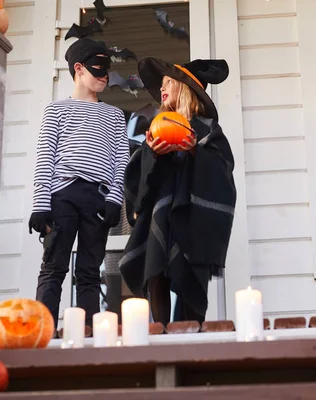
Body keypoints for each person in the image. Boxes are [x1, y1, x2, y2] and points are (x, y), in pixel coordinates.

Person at [119, 57, 236, 325]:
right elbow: (143, 180)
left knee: (190, 279)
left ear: (184, 89)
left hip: (194, 220)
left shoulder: (208, 130)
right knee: (156, 273)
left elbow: (222, 172)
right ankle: (160, 333)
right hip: (160, 217)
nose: (162, 90)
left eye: (168, 83)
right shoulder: (156, 130)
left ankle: (190, 335)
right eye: (161, 85)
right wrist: (153, 154)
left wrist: (195, 150)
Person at [28, 38, 130, 334]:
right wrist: (40, 206)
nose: (104, 76)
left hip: (98, 199)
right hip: (62, 197)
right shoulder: (56, 110)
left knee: (89, 270)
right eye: (98, 69)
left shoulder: (114, 116)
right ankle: (43, 333)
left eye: (107, 71)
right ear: (78, 69)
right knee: (53, 266)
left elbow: (120, 161)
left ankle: (89, 332)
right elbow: (45, 158)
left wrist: (114, 199)